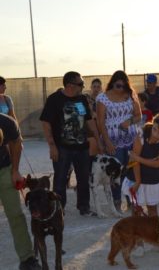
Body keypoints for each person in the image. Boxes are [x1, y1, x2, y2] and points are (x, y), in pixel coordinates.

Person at [40, 71, 101, 216]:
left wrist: (99, 140)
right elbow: (45, 123)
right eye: (81, 84)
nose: (83, 86)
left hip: (82, 147)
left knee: (83, 179)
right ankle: (59, 209)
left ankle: (84, 207)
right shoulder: (54, 99)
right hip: (62, 148)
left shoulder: (82, 99)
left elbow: (89, 120)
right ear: (70, 85)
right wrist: (52, 146)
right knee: (60, 179)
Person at [0, 114, 41, 270]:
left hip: (4, 170)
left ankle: (27, 259)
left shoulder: (6, 121)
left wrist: (15, 171)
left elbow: (16, 143)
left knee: (16, 215)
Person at [96, 70, 141, 211]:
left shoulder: (131, 96)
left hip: (131, 139)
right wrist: (107, 142)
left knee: (132, 172)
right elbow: (100, 122)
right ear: (112, 84)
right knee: (115, 173)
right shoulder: (102, 98)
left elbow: (139, 116)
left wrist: (129, 121)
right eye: (117, 85)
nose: (120, 88)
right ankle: (116, 202)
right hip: (113, 141)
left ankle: (131, 201)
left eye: (123, 86)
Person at [128, 113, 159, 216]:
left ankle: (155, 231)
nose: (155, 134)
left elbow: (158, 164)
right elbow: (133, 161)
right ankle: (135, 231)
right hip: (135, 176)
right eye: (154, 129)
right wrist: (137, 181)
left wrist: (137, 158)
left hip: (153, 179)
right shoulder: (141, 133)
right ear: (153, 123)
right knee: (136, 209)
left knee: (153, 210)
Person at [84, 78, 103, 164]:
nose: (96, 89)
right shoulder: (86, 98)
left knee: (100, 155)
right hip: (90, 130)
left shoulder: (103, 100)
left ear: (101, 88)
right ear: (91, 87)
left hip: (101, 130)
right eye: (94, 86)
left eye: (98, 87)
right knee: (91, 155)